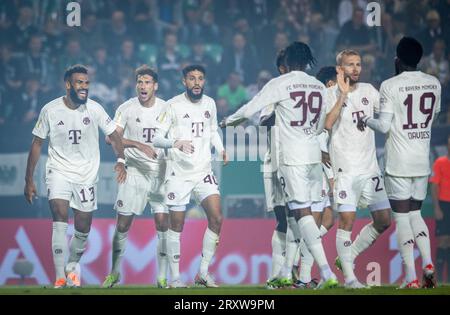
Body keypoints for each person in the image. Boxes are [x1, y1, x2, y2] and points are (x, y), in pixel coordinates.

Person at [221, 42, 338, 289]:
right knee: (298, 217)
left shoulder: (280, 83)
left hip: (290, 157)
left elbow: (250, 110)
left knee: (300, 214)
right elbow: (321, 126)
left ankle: (328, 273)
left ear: (287, 63)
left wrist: (227, 122)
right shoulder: (318, 86)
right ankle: (286, 272)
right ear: (307, 62)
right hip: (313, 156)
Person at [24, 65, 127, 288]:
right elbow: (37, 144)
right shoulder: (50, 110)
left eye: (86, 83)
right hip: (58, 170)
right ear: (68, 84)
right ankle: (60, 276)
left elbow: (115, 135)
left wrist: (121, 159)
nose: (84, 87)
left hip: (86, 175)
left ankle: (72, 266)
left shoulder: (95, 109)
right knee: (59, 214)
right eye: (79, 82)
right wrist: (29, 179)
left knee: (83, 225)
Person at [358, 37, 441, 288]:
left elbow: (383, 126)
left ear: (397, 59)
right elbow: (432, 118)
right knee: (416, 213)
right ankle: (427, 263)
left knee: (403, 218)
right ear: (420, 58)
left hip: (398, 163)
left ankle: (411, 278)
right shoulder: (434, 83)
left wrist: (365, 119)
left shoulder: (389, 85)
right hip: (421, 160)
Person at [153, 64, 227, 288]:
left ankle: (203, 272)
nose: (197, 82)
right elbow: (156, 138)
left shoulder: (210, 103)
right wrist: (176, 143)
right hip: (179, 174)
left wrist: (221, 148)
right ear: (184, 82)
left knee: (216, 218)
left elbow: (213, 129)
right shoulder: (172, 105)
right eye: (192, 79)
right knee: (176, 225)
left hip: (203, 171)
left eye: (200, 78)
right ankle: (175, 278)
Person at [325, 50, 391, 289]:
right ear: (339, 69)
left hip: (371, 169)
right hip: (346, 170)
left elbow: (385, 119)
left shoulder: (369, 92)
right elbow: (327, 124)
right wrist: (341, 96)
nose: (355, 69)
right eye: (350, 65)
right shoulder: (329, 93)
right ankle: (350, 279)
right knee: (347, 221)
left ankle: (348, 258)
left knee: (384, 220)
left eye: (358, 64)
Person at [102, 66, 169, 289]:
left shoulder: (167, 108)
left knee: (162, 224)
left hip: (160, 172)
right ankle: (114, 273)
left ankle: (161, 277)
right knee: (123, 223)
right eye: (140, 82)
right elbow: (112, 139)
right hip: (134, 171)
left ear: (155, 86)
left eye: (147, 82)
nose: (143, 86)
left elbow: (176, 139)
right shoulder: (126, 108)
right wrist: (137, 145)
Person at [293, 66, 338, 289]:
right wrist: (331, 178)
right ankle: (302, 276)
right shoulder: (325, 102)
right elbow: (320, 145)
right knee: (318, 221)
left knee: (328, 220)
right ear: (330, 84)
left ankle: (297, 264)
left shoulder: (322, 100)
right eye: (338, 82)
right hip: (317, 172)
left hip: (317, 170)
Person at [430, 135, 450, 283]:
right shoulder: (440, 162)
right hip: (444, 205)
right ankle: (438, 279)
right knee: (443, 241)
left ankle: (448, 279)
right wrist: (437, 208)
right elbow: (434, 185)